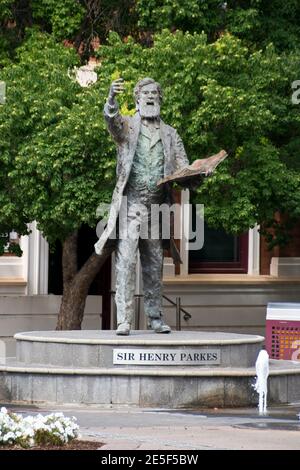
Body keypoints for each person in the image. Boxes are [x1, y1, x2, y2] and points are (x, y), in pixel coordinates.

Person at [95, 77, 190, 335]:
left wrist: (198, 174)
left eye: (154, 93)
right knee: (126, 262)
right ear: (137, 98)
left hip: (157, 208)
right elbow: (112, 123)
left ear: (159, 99)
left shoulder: (171, 134)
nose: (150, 96)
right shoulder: (127, 126)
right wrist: (111, 100)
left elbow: (184, 167)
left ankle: (155, 317)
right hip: (131, 205)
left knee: (154, 263)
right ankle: (124, 319)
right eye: (145, 93)